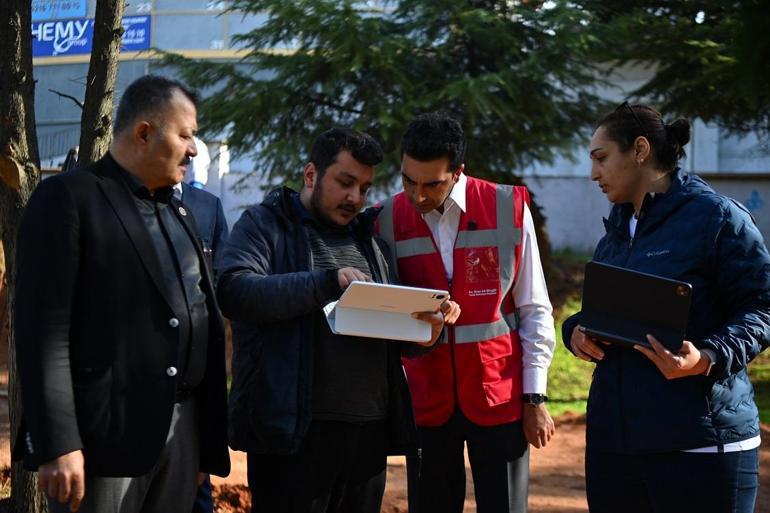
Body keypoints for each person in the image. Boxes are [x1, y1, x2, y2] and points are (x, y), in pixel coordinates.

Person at [14, 75, 230, 513]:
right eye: (186, 135)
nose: (193, 149)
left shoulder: (181, 210)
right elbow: (43, 330)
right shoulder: (69, 199)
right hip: (102, 437)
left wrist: (202, 440)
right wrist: (58, 442)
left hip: (181, 430)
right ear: (144, 132)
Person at [217, 127, 458, 513]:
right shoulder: (265, 225)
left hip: (368, 441)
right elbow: (235, 291)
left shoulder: (371, 242)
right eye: (345, 183)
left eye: (364, 188)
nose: (355, 198)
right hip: (293, 438)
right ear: (311, 175)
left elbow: (388, 330)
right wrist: (327, 282)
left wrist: (424, 334)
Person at [563, 102, 770, 513]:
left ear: (640, 149)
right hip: (615, 447)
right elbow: (607, 310)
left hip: (702, 444)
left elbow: (762, 305)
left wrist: (707, 357)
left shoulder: (717, 217)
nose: (593, 174)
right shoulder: (617, 231)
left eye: (601, 158)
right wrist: (575, 332)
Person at [376, 112, 556, 513]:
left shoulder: (508, 208)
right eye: (408, 180)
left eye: (432, 183)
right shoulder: (384, 218)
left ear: (458, 172)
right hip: (426, 398)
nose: (417, 195)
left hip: (500, 395)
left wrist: (535, 396)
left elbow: (534, 308)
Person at [174, 179, 229, 513]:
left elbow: (223, 287)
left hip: (195, 388)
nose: (190, 148)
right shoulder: (117, 201)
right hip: (135, 390)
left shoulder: (208, 206)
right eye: (182, 135)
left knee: (197, 496)